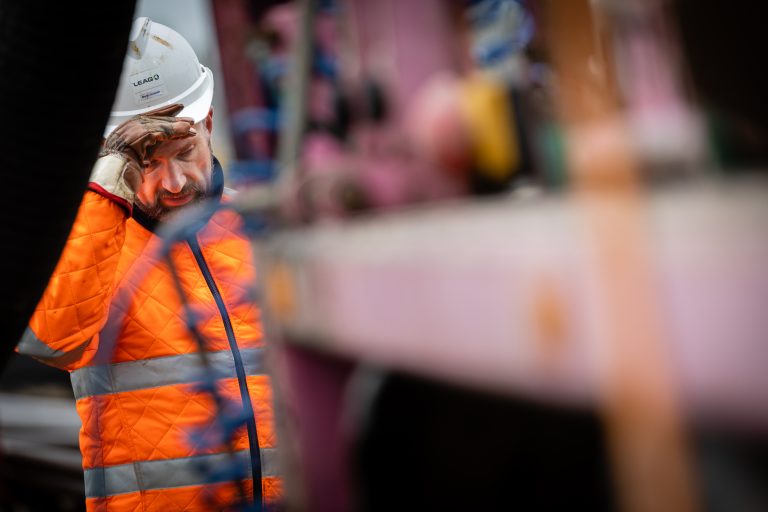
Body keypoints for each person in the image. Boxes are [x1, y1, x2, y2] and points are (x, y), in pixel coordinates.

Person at [16, 17, 281, 510]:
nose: (176, 182)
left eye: (184, 152)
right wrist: (108, 180)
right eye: (147, 163)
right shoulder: (90, 247)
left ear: (208, 124)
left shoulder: (261, 227)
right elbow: (50, 344)